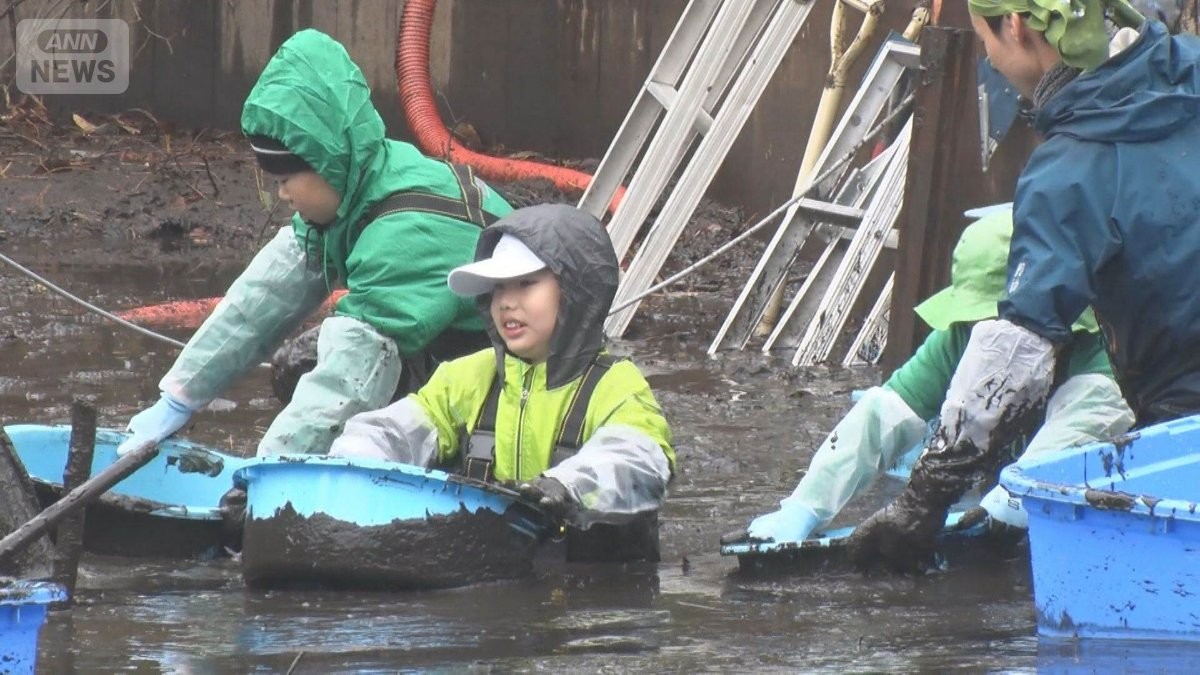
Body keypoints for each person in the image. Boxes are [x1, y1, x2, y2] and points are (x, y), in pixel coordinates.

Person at [848, 1, 1200, 571]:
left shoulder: (1072, 171)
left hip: (1186, 417)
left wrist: (925, 498)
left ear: (1014, 25)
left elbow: (1019, 348)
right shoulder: (1189, 67)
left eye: (983, 39)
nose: (987, 56)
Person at [117, 29, 511, 458]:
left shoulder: (403, 235)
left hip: (506, 390)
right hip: (446, 355)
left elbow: (351, 375)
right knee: (299, 364)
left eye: (286, 180)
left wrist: (264, 477)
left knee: (338, 369)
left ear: (326, 161)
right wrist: (180, 395)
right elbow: (262, 298)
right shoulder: (364, 181)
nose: (282, 195)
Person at [721, 208, 1133, 546]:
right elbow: (882, 416)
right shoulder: (958, 338)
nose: (983, 335)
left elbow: (1079, 433)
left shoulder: (1102, 350)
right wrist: (805, 507)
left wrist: (1006, 505)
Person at [329, 203, 675, 562]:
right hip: (499, 575)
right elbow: (389, 432)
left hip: (597, 597)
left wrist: (567, 487)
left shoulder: (617, 385)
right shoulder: (467, 377)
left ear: (575, 291)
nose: (507, 303)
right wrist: (348, 468)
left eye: (526, 284)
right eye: (498, 288)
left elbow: (637, 460)